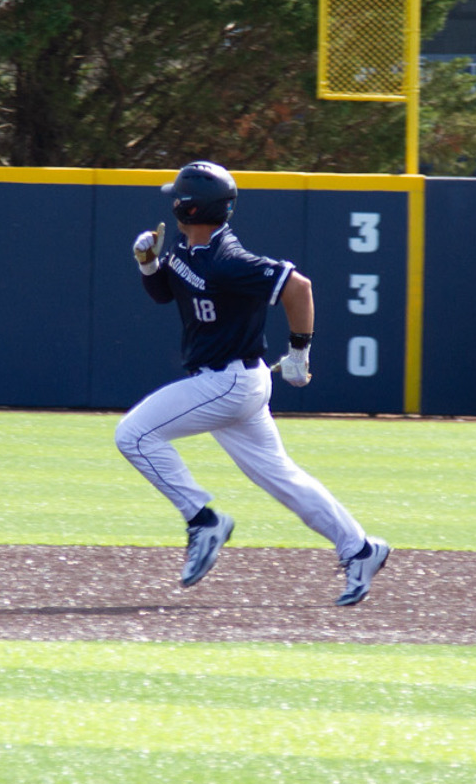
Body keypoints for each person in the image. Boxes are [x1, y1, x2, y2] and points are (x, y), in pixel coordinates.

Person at [114, 160, 390, 606]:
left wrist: (300, 350)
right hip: (235, 383)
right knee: (283, 479)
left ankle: (203, 520)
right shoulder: (190, 251)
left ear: (187, 208)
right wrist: (148, 265)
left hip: (227, 384)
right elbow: (168, 292)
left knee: (133, 435)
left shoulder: (228, 259)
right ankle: (360, 548)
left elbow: (299, 287)